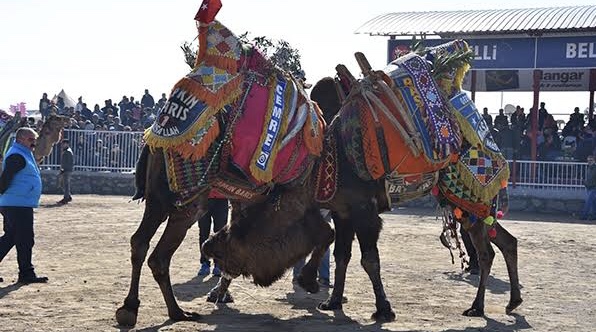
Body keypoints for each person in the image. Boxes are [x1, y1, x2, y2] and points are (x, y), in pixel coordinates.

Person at [0, 128, 48, 284]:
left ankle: (26, 272)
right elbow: (4, 180)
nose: (34, 142)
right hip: (17, 205)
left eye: (34, 139)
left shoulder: (22, 154)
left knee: (11, 238)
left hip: (17, 203)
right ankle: (26, 273)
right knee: (25, 239)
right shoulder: (17, 156)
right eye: (30, 139)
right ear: (20, 139)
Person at [292, 209, 332, 287]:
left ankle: (324, 278)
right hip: (304, 216)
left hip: (322, 216)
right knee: (302, 245)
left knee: (324, 248)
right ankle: (298, 275)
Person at [197, 190, 228, 276]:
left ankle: (218, 264)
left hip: (221, 199)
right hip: (203, 198)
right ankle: (204, 263)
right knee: (203, 232)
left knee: (220, 234)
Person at [58, 139, 74, 204]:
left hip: (66, 170)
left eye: (64, 143)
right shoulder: (67, 151)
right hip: (66, 170)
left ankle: (66, 198)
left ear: (67, 144)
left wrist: (64, 169)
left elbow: (69, 162)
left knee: (65, 184)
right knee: (63, 184)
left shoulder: (68, 152)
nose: (62, 145)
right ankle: (68, 196)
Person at [580, 155, 596, 220]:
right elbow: (589, 178)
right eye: (588, 160)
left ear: (594, 161)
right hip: (589, 187)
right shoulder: (589, 168)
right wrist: (585, 183)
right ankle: (594, 215)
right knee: (593, 203)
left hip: (594, 187)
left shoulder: (594, 168)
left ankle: (584, 215)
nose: (589, 162)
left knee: (588, 202)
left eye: (591, 160)